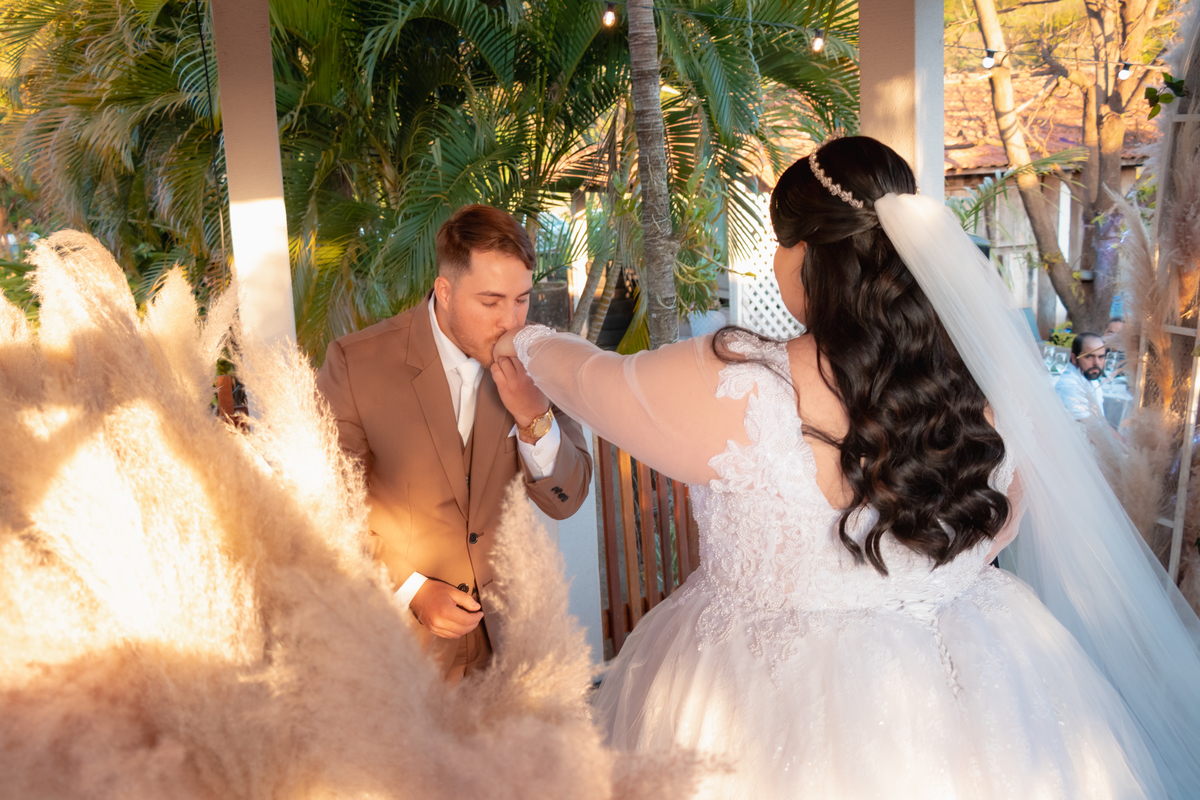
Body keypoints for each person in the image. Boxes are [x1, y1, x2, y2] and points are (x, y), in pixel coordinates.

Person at [494, 137, 1200, 798]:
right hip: (982, 679)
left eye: (779, 244)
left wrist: (519, 337)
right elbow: (1003, 524)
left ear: (807, 255)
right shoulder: (983, 387)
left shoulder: (745, 383)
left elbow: (596, 383)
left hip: (759, 697)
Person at [316, 204, 593, 682]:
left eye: (522, 299)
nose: (512, 321)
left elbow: (567, 497)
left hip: (508, 650)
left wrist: (533, 417)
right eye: (491, 302)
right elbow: (328, 506)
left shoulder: (540, 359)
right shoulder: (355, 364)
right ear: (444, 291)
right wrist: (411, 590)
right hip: (397, 654)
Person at [1055, 331, 1108, 421]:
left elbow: (1101, 421)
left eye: (1101, 357)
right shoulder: (1070, 385)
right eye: (1089, 357)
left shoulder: (1091, 379)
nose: (1097, 363)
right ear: (1074, 358)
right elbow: (1090, 428)